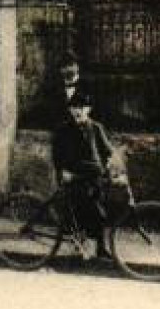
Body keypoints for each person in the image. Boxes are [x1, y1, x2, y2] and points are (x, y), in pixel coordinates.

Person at [49, 51, 115, 258]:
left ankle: (98, 245)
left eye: (71, 65)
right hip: (71, 153)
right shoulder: (55, 90)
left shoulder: (90, 90)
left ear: (77, 67)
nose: (67, 70)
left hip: (89, 156)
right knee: (74, 203)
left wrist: (107, 161)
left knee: (97, 206)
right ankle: (77, 241)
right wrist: (61, 168)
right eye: (64, 66)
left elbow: (104, 141)